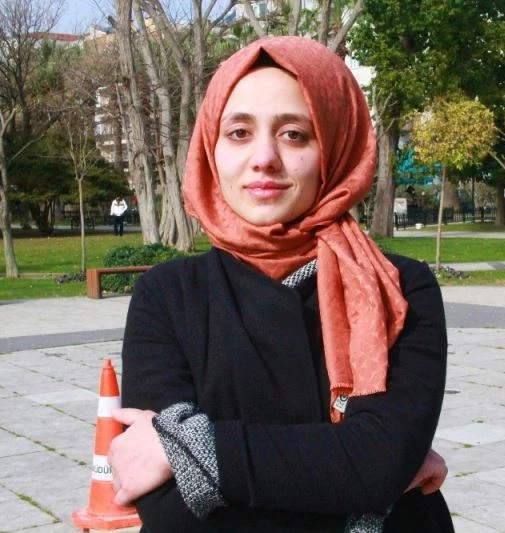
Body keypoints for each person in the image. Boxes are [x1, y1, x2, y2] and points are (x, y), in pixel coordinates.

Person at [108, 36, 454, 533]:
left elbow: (377, 465)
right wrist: (352, 471)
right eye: (239, 133)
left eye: (294, 134)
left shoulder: (398, 289)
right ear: (210, 148)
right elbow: (168, 507)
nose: (264, 158)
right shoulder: (168, 295)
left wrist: (193, 450)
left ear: (335, 145)